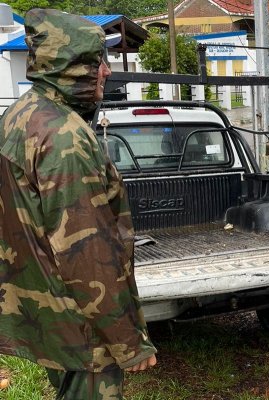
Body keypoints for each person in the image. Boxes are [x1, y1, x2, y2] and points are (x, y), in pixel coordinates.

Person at [0, 9, 157, 399]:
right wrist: (127, 341)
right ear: (70, 66)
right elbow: (85, 251)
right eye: (95, 62)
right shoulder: (64, 136)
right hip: (84, 324)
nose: (105, 71)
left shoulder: (21, 114)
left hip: (48, 313)